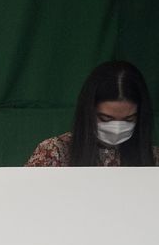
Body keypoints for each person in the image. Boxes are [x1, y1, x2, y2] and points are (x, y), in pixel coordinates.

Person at [26, 60, 158, 166]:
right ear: (88, 112)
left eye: (129, 119)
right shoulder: (54, 152)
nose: (117, 128)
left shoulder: (153, 158)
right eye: (106, 118)